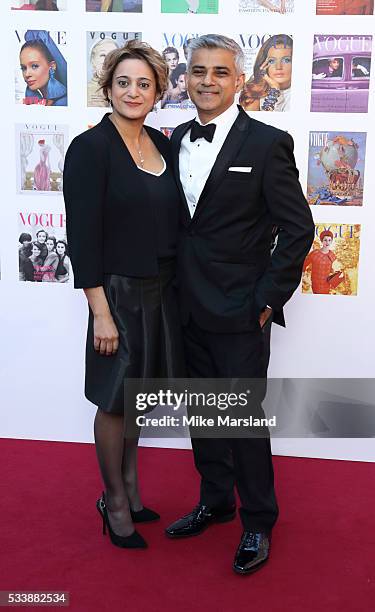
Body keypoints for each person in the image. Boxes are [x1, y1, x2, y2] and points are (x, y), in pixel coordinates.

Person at [165, 34, 314, 574]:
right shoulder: (174, 138)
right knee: (203, 415)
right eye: (198, 71)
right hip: (184, 306)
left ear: (238, 80)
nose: (207, 81)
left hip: (240, 310)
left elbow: (298, 230)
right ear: (186, 78)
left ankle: (257, 521)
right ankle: (215, 500)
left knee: (245, 422)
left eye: (220, 72)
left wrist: (268, 300)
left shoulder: (267, 143)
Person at [63, 40, 184, 550]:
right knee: (115, 401)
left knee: (137, 398)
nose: (133, 92)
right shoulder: (89, 149)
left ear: (157, 91)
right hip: (115, 294)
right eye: (123, 82)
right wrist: (101, 314)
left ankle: (132, 489)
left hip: (162, 291)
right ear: (108, 87)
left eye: (144, 83)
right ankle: (113, 502)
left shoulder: (164, 143)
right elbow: (83, 237)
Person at [240, 34, 293, 112]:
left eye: (286, 60)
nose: (278, 67)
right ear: (263, 64)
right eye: (271, 61)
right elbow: (258, 123)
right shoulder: (255, 92)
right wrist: (274, 90)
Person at [19, 32, 67, 106]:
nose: (27, 74)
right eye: (23, 68)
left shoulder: (62, 103)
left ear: (52, 66)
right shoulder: (38, 101)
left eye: (34, 66)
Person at [303, 230, 344, 295]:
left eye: (329, 240)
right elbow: (304, 264)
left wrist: (338, 274)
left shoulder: (332, 255)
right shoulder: (314, 253)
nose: (327, 242)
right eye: (325, 240)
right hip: (315, 283)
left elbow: (334, 270)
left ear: (331, 241)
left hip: (326, 284)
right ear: (322, 241)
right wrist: (302, 274)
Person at [88, 38, 119, 107]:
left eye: (112, 56)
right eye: (103, 55)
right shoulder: (86, 92)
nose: (107, 60)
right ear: (93, 60)